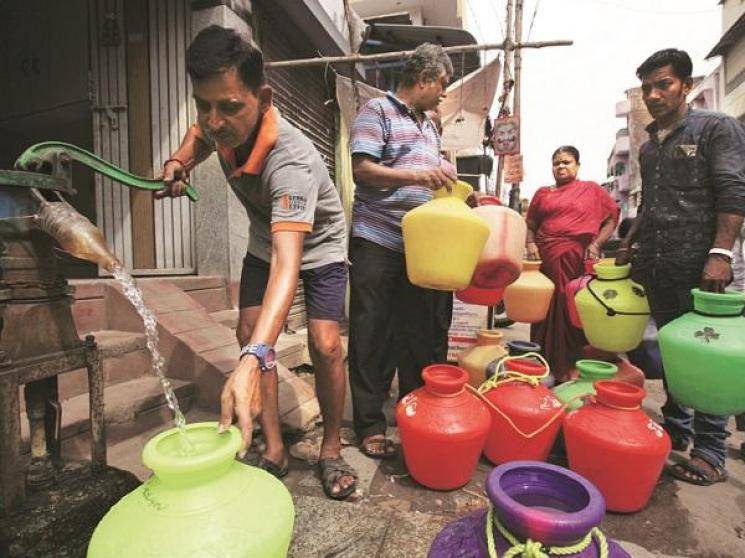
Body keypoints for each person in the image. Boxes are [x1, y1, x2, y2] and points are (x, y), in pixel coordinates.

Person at [155, 26, 357, 500]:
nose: (214, 119)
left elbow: (290, 266)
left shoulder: (290, 162)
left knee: (325, 344)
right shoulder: (217, 120)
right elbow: (201, 137)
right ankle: (273, 449)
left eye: (228, 107)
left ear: (263, 98)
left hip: (319, 245)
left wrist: (253, 361)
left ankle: (331, 448)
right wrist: (178, 162)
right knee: (249, 334)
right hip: (267, 240)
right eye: (203, 104)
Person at [617, 48, 745, 485]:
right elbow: (650, 207)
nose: (653, 94)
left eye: (664, 84)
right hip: (658, 263)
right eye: (647, 87)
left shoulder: (716, 129)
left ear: (686, 86)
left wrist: (720, 254)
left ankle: (711, 450)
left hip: (703, 268)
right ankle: (675, 430)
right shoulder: (650, 146)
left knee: (704, 357)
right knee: (672, 353)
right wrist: (629, 244)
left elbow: (732, 191)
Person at [348, 43, 456, 459]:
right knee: (372, 331)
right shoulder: (376, 112)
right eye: (442, 84)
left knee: (415, 334)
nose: (444, 92)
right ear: (424, 79)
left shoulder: (429, 126)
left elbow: (433, 174)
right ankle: (370, 424)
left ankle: (413, 412)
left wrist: (446, 176)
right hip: (378, 239)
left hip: (420, 248)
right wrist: (415, 174)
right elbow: (361, 170)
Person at [525, 146, 619, 381]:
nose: (561, 167)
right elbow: (531, 224)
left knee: (572, 308)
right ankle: (542, 361)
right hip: (546, 258)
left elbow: (611, 218)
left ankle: (571, 366)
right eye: (556, 163)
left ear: (577, 165)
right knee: (545, 307)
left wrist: (596, 243)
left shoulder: (592, 190)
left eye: (566, 162)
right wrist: (530, 244)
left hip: (578, 258)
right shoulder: (542, 193)